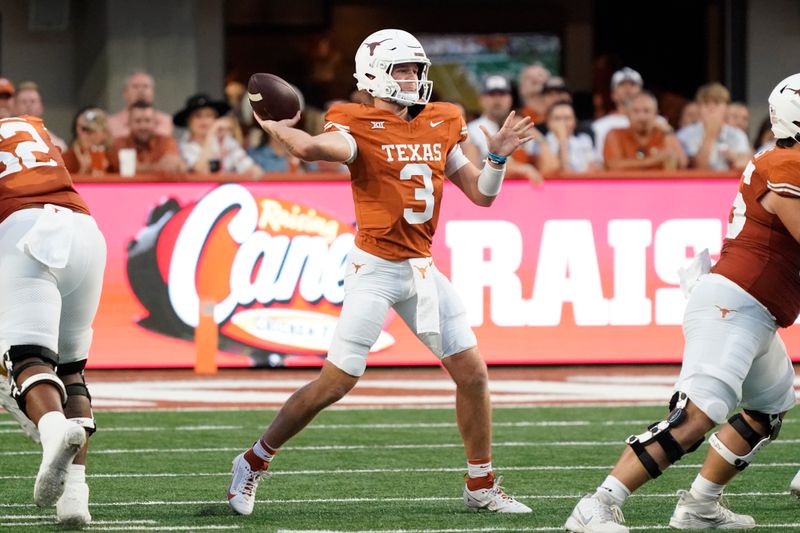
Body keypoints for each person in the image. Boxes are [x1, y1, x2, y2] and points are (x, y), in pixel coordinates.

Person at [226, 28, 536, 517]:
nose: (413, 79)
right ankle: (253, 461)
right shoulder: (355, 123)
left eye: (417, 69)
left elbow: (482, 194)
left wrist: (496, 156)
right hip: (374, 268)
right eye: (403, 70)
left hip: (421, 269)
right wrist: (275, 127)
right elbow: (310, 149)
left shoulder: (442, 121)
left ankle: (480, 483)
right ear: (373, 76)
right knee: (337, 382)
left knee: (473, 374)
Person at [564, 73, 800, 532]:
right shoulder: (787, 164)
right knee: (699, 414)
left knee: (767, 407)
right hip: (734, 303)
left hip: (757, 311)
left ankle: (699, 505)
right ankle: (598, 503)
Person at [0, 114, 106, 529]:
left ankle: (51, 429)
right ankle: (75, 495)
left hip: (25, 232)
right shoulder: (30, 124)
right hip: (84, 229)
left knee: (28, 360)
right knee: (72, 370)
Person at [464, 75, 542, 184]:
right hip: (487, 194)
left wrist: (539, 138)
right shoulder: (472, 130)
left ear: (510, 99)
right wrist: (523, 169)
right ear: (481, 100)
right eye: (492, 94)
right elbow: (472, 172)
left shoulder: (521, 126)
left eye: (502, 94)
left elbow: (549, 168)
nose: (497, 99)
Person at [174, 93, 262, 178]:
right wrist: (211, 132)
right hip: (195, 191)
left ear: (215, 119)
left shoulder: (227, 142)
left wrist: (253, 171)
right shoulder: (179, 146)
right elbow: (200, 171)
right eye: (198, 116)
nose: (204, 121)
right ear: (188, 121)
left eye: (209, 115)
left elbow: (250, 168)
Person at [604, 91, 687, 171]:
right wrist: (654, 160)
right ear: (628, 115)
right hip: (626, 185)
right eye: (636, 111)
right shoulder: (615, 135)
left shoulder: (663, 134)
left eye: (646, 111)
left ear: (656, 114)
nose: (642, 117)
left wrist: (668, 132)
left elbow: (682, 164)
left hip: (659, 184)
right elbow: (614, 167)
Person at [677, 83, 752, 171]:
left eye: (717, 103)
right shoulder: (685, 135)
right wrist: (710, 134)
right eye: (706, 103)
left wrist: (735, 158)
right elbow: (699, 168)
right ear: (699, 108)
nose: (711, 108)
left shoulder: (738, 135)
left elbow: (747, 168)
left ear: (727, 108)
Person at [109, 100, 185, 174]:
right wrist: (157, 167)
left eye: (147, 120)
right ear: (129, 123)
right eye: (138, 121)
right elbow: (129, 168)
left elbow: (172, 164)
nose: (143, 126)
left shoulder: (166, 141)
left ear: (155, 123)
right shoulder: (118, 144)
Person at [592, 67, 643, 162]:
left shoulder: (658, 121)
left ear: (641, 92)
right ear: (613, 94)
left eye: (633, 84)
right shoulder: (599, 126)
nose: (628, 89)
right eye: (622, 84)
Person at [107, 70, 174, 138]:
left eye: (145, 86)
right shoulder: (112, 122)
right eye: (135, 86)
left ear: (153, 92)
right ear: (125, 93)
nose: (141, 91)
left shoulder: (165, 120)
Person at [13, 82, 67, 151]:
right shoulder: (4, 138)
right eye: (24, 101)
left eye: (33, 101)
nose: (28, 105)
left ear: (41, 107)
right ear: (14, 107)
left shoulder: (58, 144)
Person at [62, 107, 114, 176]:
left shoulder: (112, 157)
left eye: (92, 131)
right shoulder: (66, 159)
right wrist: (83, 171)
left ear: (104, 133)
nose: (88, 135)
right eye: (84, 130)